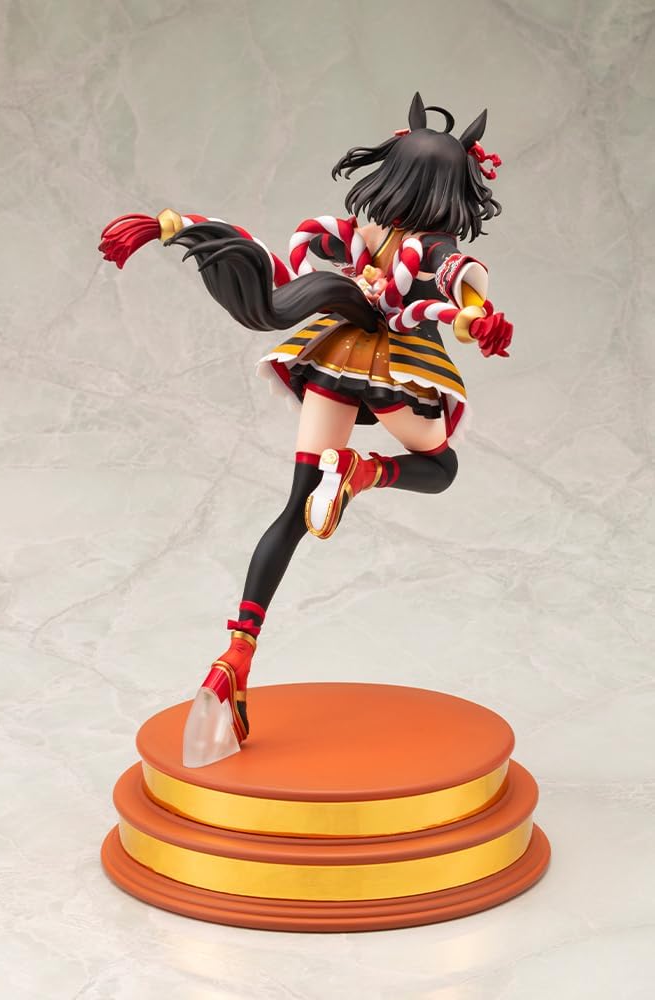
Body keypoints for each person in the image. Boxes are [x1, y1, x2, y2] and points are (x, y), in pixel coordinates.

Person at [99, 92, 513, 766]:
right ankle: (362, 472)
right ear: (453, 189)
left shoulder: (366, 235)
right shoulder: (431, 245)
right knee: (440, 468)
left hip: (331, 358)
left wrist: (173, 225)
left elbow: (331, 258)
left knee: (294, 510)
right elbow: (460, 280)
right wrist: (475, 319)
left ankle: (234, 657)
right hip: (396, 370)